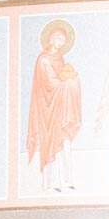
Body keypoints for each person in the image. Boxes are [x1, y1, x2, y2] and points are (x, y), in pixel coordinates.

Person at [26, 20, 82, 193]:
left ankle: (67, 180)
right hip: (48, 109)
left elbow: (63, 77)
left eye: (63, 39)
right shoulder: (43, 59)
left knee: (65, 143)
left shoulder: (60, 59)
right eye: (58, 38)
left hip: (62, 108)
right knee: (50, 144)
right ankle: (49, 184)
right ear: (50, 39)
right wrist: (67, 82)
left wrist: (72, 80)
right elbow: (49, 83)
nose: (60, 41)